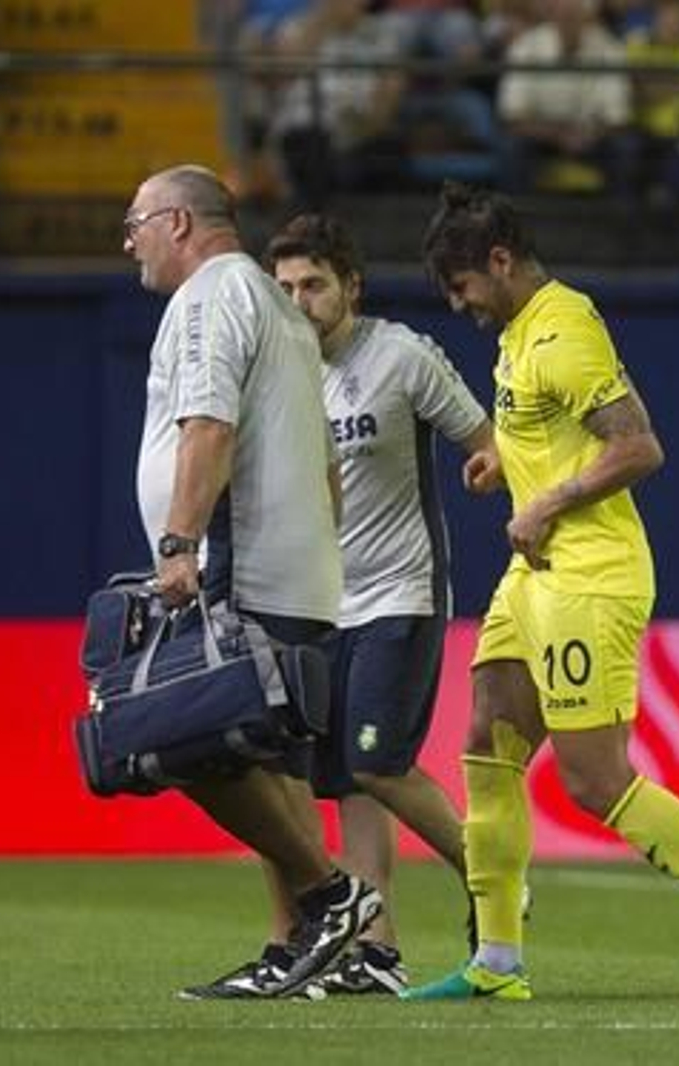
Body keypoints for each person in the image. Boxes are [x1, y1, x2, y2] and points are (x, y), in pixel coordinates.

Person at [404, 183, 679, 1002]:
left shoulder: (565, 329)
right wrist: (509, 467)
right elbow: (552, 438)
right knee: (486, 740)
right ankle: (498, 960)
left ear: (501, 262)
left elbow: (639, 448)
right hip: (537, 571)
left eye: (463, 286)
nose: (459, 305)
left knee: (591, 779)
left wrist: (546, 501)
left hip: (590, 574)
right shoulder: (518, 335)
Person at [122, 164, 381, 999]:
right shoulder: (277, 307)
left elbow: (209, 426)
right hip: (298, 566)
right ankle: (299, 946)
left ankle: (330, 898)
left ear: (180, 223)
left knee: (187, 740)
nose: (129, 241)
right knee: (272, 763)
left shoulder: (208, 298)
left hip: (247, 559)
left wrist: (178, 542)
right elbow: (323, 455)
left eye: (137, 222)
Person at [263, 212, 500, 995]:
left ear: (351, 286)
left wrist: (494, 472)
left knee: (377, 762)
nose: (298, 301)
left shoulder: (400, 356)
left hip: (400, 593)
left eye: (313, 285)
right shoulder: (275, 375)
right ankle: (377, 954)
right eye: (285, 287)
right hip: (320, 604)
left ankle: (496, 883)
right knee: (344, 785)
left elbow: (484, 439)